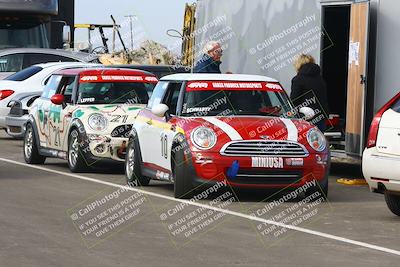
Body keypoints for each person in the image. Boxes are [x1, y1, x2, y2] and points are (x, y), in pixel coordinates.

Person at [290, 54, 329, 132]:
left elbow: (294, 100)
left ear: (298, 64)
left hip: (305, 118)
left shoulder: (298, 79)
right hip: (321, 117)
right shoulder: (320, 79)